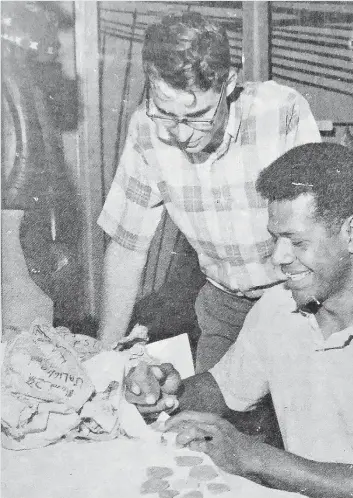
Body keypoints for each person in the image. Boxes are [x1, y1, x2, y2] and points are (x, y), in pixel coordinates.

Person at [125, 142, 353, 498]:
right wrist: (171, 391)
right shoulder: (279, 306)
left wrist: (251, 456)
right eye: (275, 239)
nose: (278, 257)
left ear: (351, 234)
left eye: (297, 242)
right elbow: (225, 387)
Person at [96, 12, 322, 374]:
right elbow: (126, 249)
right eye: (166, 114)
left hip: (296, 300)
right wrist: (104, 357)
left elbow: (318, 238)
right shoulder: (146, 130)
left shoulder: (280, 112)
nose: (181, 133)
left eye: (197, 115)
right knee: (204, 423)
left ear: (229, 84)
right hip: (224, 309)